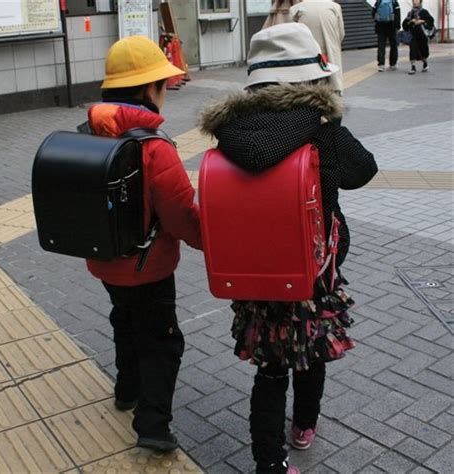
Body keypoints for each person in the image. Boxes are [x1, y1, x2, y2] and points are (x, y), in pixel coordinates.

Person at [199, 23, 377, 474]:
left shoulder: (232, 130)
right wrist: (330, 119)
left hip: (255, 273)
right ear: (311, 78)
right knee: (310, 354)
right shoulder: (320, 128)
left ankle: (269, 463)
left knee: (271, 370)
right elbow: (364, 171)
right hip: (312, 274)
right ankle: (302, 428)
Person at [86, 35, 201, 451]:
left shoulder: (88, 133)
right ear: (148, 89)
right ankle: (152, 425)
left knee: (124, 320)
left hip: (103, 261)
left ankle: (126, 389)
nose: (166, 92)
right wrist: (211, 242)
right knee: (161, 339)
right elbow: (181, 216)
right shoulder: (155, 147)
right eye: (162, 84)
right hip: (149, 266)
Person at [290, 0, 345, 94]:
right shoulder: (335, 7)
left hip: (307, 49)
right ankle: (335, 89)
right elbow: (341, 33)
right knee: (332, 67)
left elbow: (292, 34)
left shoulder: (296, 9)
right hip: (329, 47)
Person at [402, 0, 435, 74]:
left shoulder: (424, 12)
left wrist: (422, 21)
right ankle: (413, 67)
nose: (414, 2)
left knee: (423, 52)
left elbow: (431, 21)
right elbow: (405, 25)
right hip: (413, 35)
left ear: (420, 2)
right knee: (413, 50)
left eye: (416, 0)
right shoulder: (410, 13)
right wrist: (411, 22)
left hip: (422, 36)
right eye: (413, 1)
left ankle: (425, 63)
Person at [372, 0, 401, 71]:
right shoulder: (394, 2)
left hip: (380, 26)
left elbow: (373, 13)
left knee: (381, 45)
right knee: (393, 45)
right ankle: (393, 64)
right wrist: (397, 26)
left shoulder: (378, 1)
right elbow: (397, 14)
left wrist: (377, 21)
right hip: (391, 25)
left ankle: (381, 64)